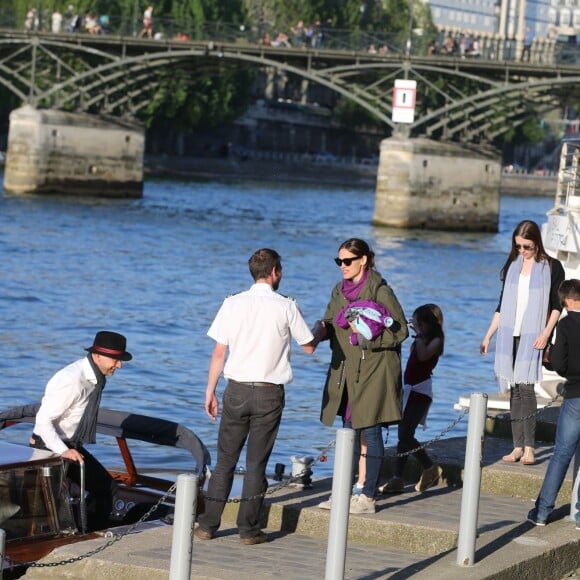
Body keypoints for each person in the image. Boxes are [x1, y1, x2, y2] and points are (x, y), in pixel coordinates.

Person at [194, 248, 322, 545]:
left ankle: (207, 525)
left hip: (236, 389)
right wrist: (320, 329)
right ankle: (248, 530)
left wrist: (210, 391)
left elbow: (218, 352)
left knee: (225, 461)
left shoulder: (232, 303)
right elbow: (309, 346)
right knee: (256, 464)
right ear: (275, 271)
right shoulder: (286, 305)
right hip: (268, 394)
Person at [317, 238, 408, 514]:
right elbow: (330, 321)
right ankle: (346, 492)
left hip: (374, 370)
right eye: (339, 261)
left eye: (347, 261)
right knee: (348, 430)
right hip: (346, 370)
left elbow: (401, 330)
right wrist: (314, 334)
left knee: (370, 429)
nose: (342, 266)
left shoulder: (380, 290)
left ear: (363, 260)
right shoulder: (339, 290)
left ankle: (367, 496)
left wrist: (367, 341)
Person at [480, 220, 565, 466]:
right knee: (514, 390)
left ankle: (529, 447)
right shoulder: (512, 266)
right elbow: (501, 305)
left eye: (526, 246)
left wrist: (546, 333)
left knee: (527, 389)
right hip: (510, 333)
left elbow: (556, 305)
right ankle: (516, 446)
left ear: (537, 242)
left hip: (534, 334)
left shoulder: (551, 266)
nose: (522, 251)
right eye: (518, 246)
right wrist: (488, 335)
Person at [30, 331, 132, 531]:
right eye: (116, 359)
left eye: (120, 360)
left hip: (70, 445)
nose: (119, 365)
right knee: (48, 505)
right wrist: (63, 450)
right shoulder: (73, 380)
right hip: (49, 447)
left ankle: (89, 535)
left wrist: (69, 449)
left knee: (106, 488)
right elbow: (42, 421)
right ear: (97, 356)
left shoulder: (95, 377)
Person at [527, 279, 580, 528]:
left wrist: (550, 357)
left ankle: (542, 512)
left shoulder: (566, 323)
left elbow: (559, 364)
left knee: (561, 455)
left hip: (575, 396)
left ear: (567, 300)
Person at [381, 303, 444, 494]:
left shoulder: (436, 340)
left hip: (421, 393)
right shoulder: (422, 338)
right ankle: (398, 478)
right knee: (403, 434)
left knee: (406, 434)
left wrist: (417, 334)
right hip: (409, 391)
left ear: (428, 324)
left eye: (420, 324)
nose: (417, 327)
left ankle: (429, 467)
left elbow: (424, 356)